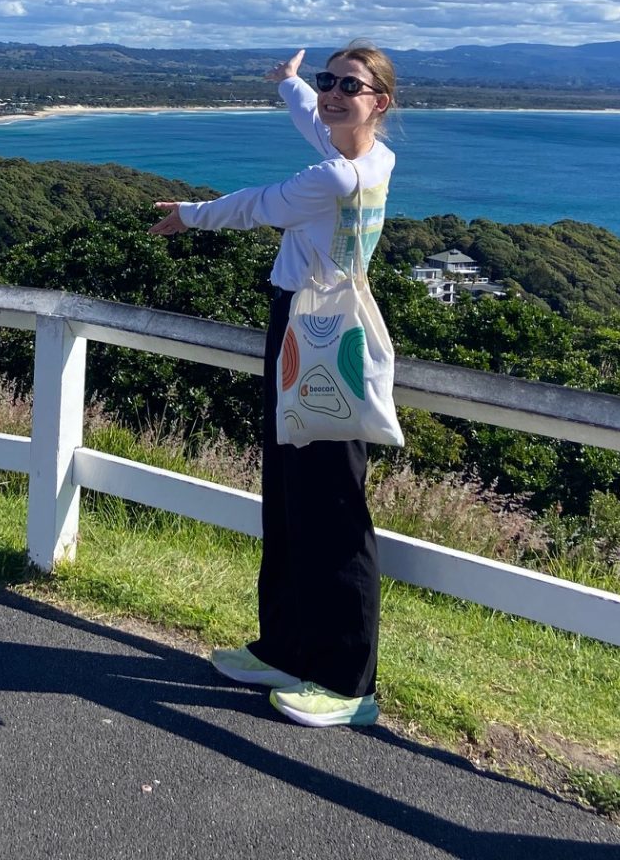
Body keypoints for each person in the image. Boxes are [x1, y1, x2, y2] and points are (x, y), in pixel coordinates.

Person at [147, 42, 397, 728]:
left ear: (381, 101)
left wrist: (190, 214)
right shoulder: (369, 158)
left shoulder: (336, 180)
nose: (336, 92)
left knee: (333, 505)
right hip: (302, 327)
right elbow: (318, 125)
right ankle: (286, 647)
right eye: (330, 81)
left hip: (323, 331)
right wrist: (291, 84)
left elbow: (261, 204)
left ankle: (348, 683)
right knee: (288, 492)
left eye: (352, 84)